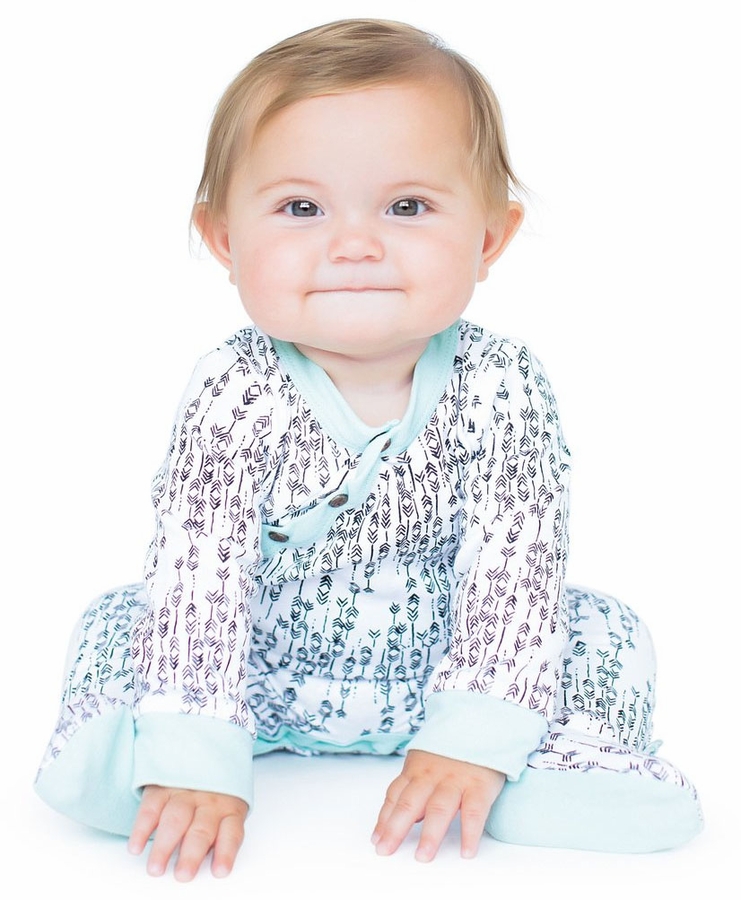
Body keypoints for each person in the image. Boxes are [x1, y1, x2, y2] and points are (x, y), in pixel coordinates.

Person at [34, 18, 702, 881]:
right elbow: (201, 563)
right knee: (121, 615)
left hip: (444, 663)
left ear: (488, 239)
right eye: (301, 209)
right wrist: (195, 748)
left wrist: (473, 733)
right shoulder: (232, 387)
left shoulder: (501, 382)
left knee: (604, 627)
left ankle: (544, 765)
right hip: (262, 662)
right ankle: (149, 762)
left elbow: (516, 561)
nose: (355, 244)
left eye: (406, 207)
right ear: (225, 241)